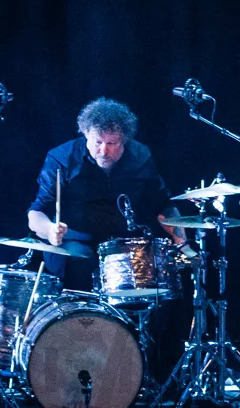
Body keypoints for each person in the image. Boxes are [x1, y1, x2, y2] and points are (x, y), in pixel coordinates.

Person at [27, 99, 184, 294]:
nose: (103, 151)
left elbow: (163, 206)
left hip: (121, 245)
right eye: (98, 142)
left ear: (124, 139)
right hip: (73, 242)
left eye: (112, 143)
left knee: (159, 282)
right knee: (80, 261)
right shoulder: (62, 158)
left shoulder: (141, 157)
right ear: (85, 134)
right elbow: (37, 212)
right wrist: (50, 230)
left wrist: (183, 244)